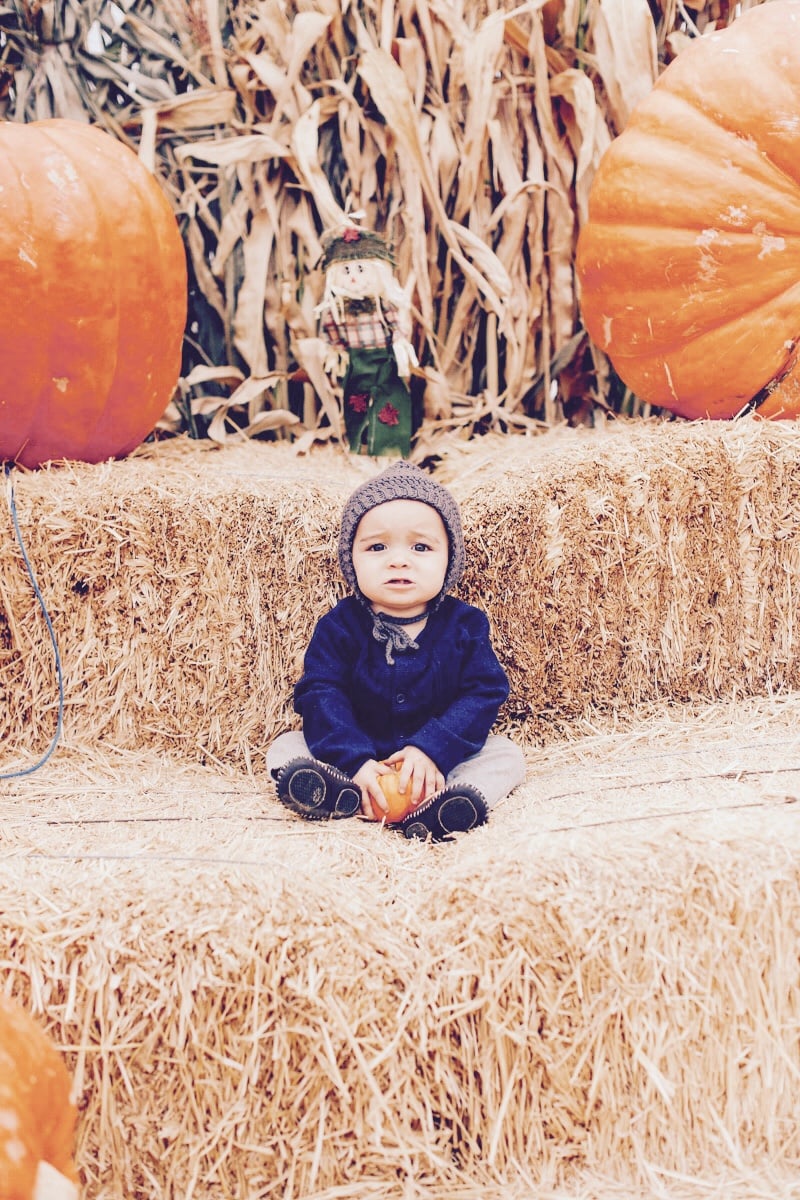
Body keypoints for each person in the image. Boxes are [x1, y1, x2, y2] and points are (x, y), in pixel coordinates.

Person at [266, 461, 526, 841]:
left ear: (449, 561)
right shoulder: (340, 626)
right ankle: (343, 792)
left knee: (507, 756)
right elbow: (319, 692)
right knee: (285, 747)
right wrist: (354, 760)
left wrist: (434, 750)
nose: (399, 559)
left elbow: (484, 693)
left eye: (421, 546)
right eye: (377, 546)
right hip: (355, 760)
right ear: (350, 561)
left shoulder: (465, 626)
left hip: (437, 769)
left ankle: (444, 808)